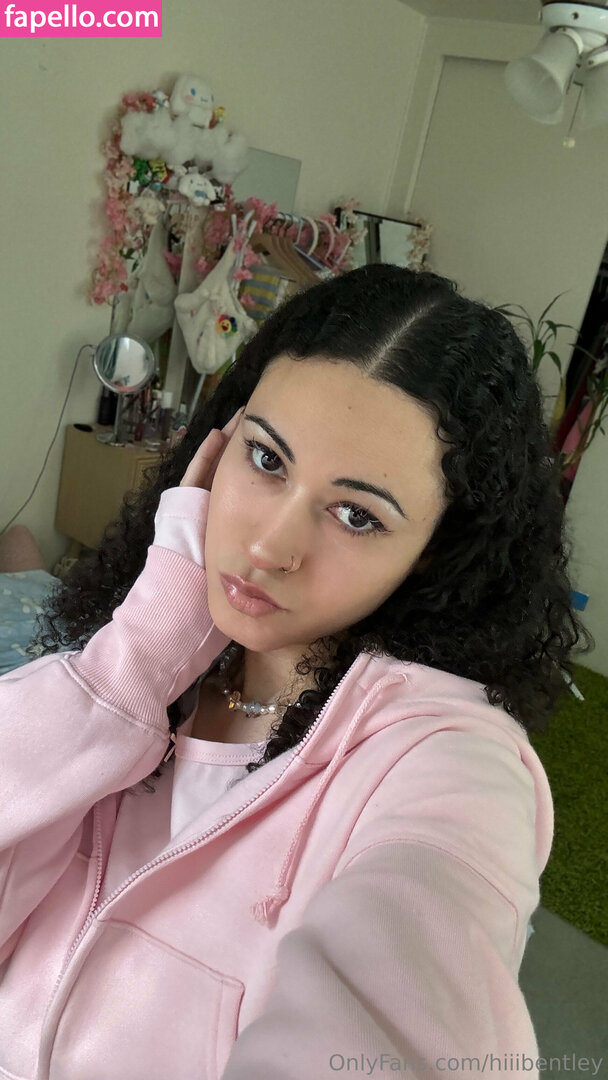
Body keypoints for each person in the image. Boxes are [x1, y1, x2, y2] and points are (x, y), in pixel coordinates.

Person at [0, 264, 592, 1078]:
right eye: (266, 458)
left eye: (357, 515)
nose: (269, 545)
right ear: (217, 448)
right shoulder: (156, 669)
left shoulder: (446, 765)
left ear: (436, 551)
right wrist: (138, 653)